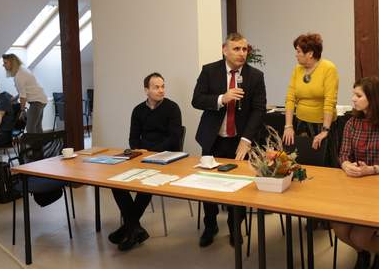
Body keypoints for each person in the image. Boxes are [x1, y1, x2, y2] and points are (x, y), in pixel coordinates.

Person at [192, 32, 266, 248]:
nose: (242, 53)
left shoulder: (255, 76)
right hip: (213, 138)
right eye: (236, 49)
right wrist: (221, 99)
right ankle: (210, 224)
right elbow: (196, 100)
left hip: (239, 141)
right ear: (225, 50)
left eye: (244, 49)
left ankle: (235, 227)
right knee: (208, 185)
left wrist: (247, 139)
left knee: (239, 186)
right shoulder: (209, 71)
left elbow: (259, 110)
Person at [108, 73, 182, 252]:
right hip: (142, 156)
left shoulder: (172, 108)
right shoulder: (138, 110)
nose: (161, 90)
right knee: (115, 183)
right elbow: (133, 138)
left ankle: (128, 228)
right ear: (146, 90)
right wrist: (139, 151)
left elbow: (174, 138)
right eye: (156, 87)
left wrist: (152, 153)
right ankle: (135, 228)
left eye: (163, 86)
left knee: (147, 183)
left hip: (166, 157)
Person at [333, 77, 379, 269]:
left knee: (358, 236)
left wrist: (370, 170)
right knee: (338, 228)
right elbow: (343, 153)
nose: (353, 99)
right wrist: (346, 165)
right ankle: (362, 251)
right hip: (355, 187)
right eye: (353, 94)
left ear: (373, 98)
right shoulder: (351, 123)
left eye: (358, 95)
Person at [282, 33, 339, 150]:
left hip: (323, 125)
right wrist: (288, 126)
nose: (296, 55)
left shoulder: (329, 69)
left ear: (310, 54)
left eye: (298, 51)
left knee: (322, 159)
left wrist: (325, 130)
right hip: (301, 123)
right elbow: (290, 98)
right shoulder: (297, 69)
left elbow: (330, 101)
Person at [2, 53, 48, 133]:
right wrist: (15, 98)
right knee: (37, 126)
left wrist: (22, 111)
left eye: (5, 63)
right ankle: (41, 141)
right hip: (41, 99)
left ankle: (34, 141)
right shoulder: (22, 69)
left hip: (37, 102)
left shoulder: (19, 76)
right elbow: (25, 89)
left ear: (12, 63)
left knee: (30, 128)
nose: (3, 65)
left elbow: (23, 96)